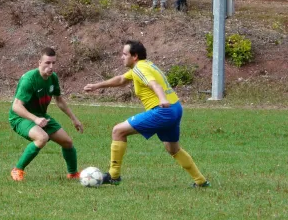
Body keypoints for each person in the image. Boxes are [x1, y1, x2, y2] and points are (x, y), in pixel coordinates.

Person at [83, 41, 210, 188]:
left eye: (125, 54)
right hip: (175, 108)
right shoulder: (145, 65)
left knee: (118, 131)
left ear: (135, 56)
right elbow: (122, 79)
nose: (121, 57)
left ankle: (114, 175)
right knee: (173, 149)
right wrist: (97, 86)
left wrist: (162, 99)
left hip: (163, 110)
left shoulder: (140, 69)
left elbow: (154, 84)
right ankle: (200, 181)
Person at [9, 47, 84, 181]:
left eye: (53, 63)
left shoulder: (53, 78)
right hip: (20, 117)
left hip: (40, 116)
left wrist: (74, 119)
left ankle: (72, 174)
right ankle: (17, 170)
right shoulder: (29, 79)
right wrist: (35, 119)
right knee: (41, 138)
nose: (51, 67)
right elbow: (16, 106)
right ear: (39, 62)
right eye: (47, 63)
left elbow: (59, 100)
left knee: (67, 142)